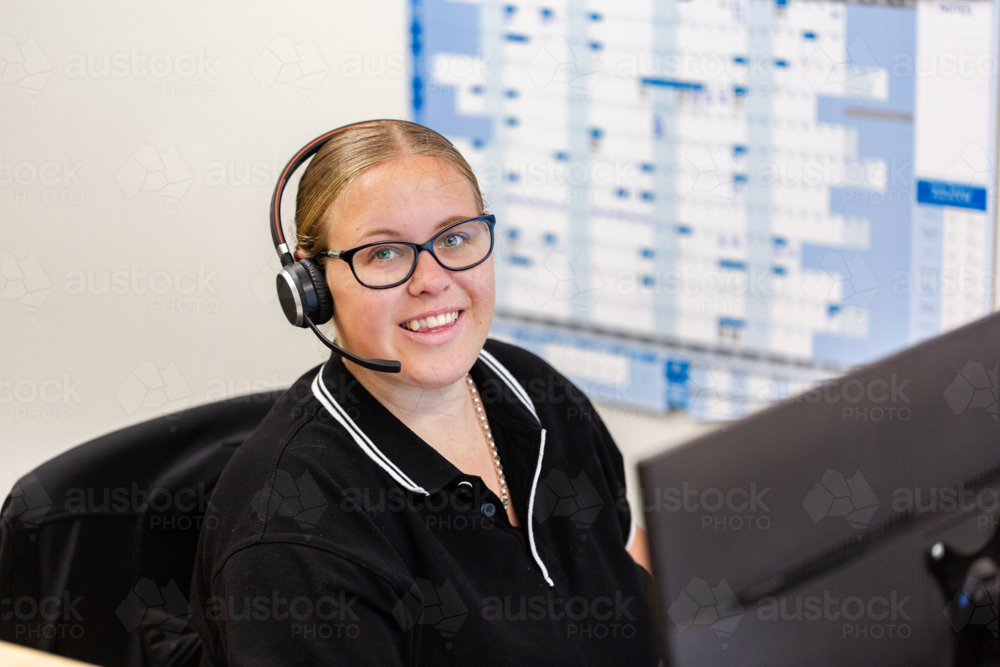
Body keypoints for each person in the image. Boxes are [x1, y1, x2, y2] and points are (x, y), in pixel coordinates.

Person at [188, 120, 660, 665]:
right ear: (311, 289)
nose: (431, 279)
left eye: (454, 238)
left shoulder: (534, 392)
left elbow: (628, 554)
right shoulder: (293, 541)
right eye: (383, 254)